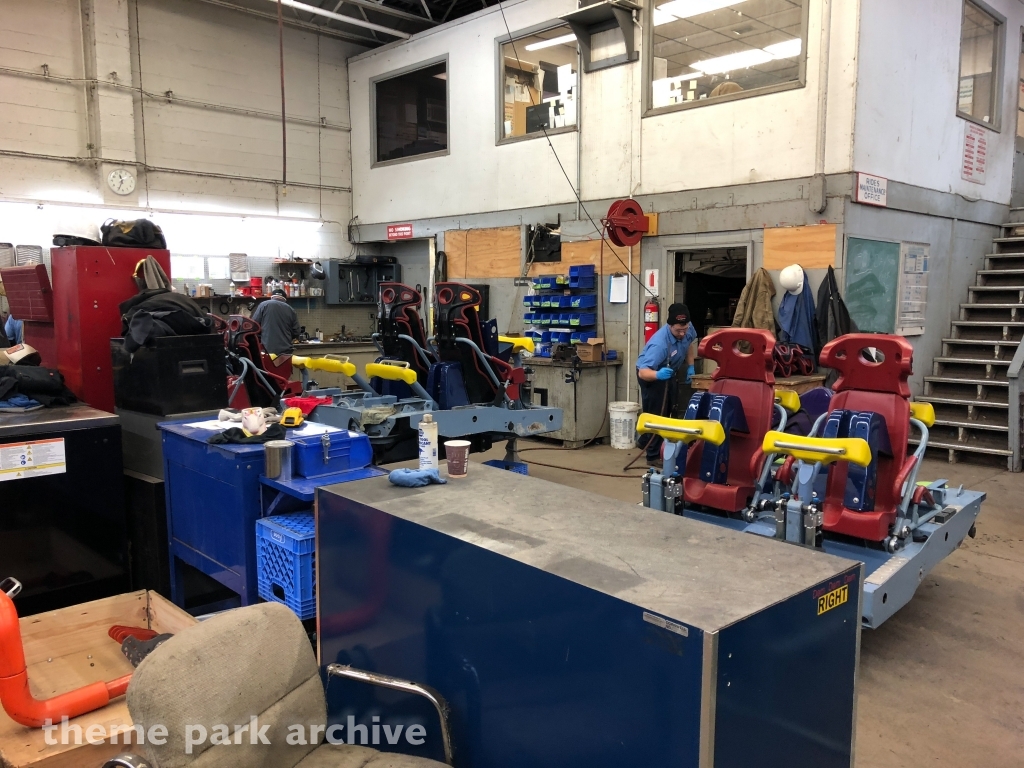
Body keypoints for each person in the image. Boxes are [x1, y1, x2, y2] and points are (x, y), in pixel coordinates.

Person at [635, 303, 697, 464]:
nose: (682, 333)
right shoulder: (660, 344)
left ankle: (644, 441)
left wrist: (690, 366)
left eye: (685, 329)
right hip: (651, 374)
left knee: (671, 407)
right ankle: (653, 455)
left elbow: (689, 344)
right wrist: (658, 375)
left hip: (669, 372)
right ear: (670, 326)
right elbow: (643, 371)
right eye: (678, 330)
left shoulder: (687, 330)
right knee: (657, 414)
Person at [250, 289, 301, 355]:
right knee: (284, 365)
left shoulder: (263, 305)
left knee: (268, 365)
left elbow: (253, 326)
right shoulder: (291, 310)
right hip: (285, 351)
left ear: (272, 297)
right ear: (285, 299)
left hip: (267, 350)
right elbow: (297, 331)